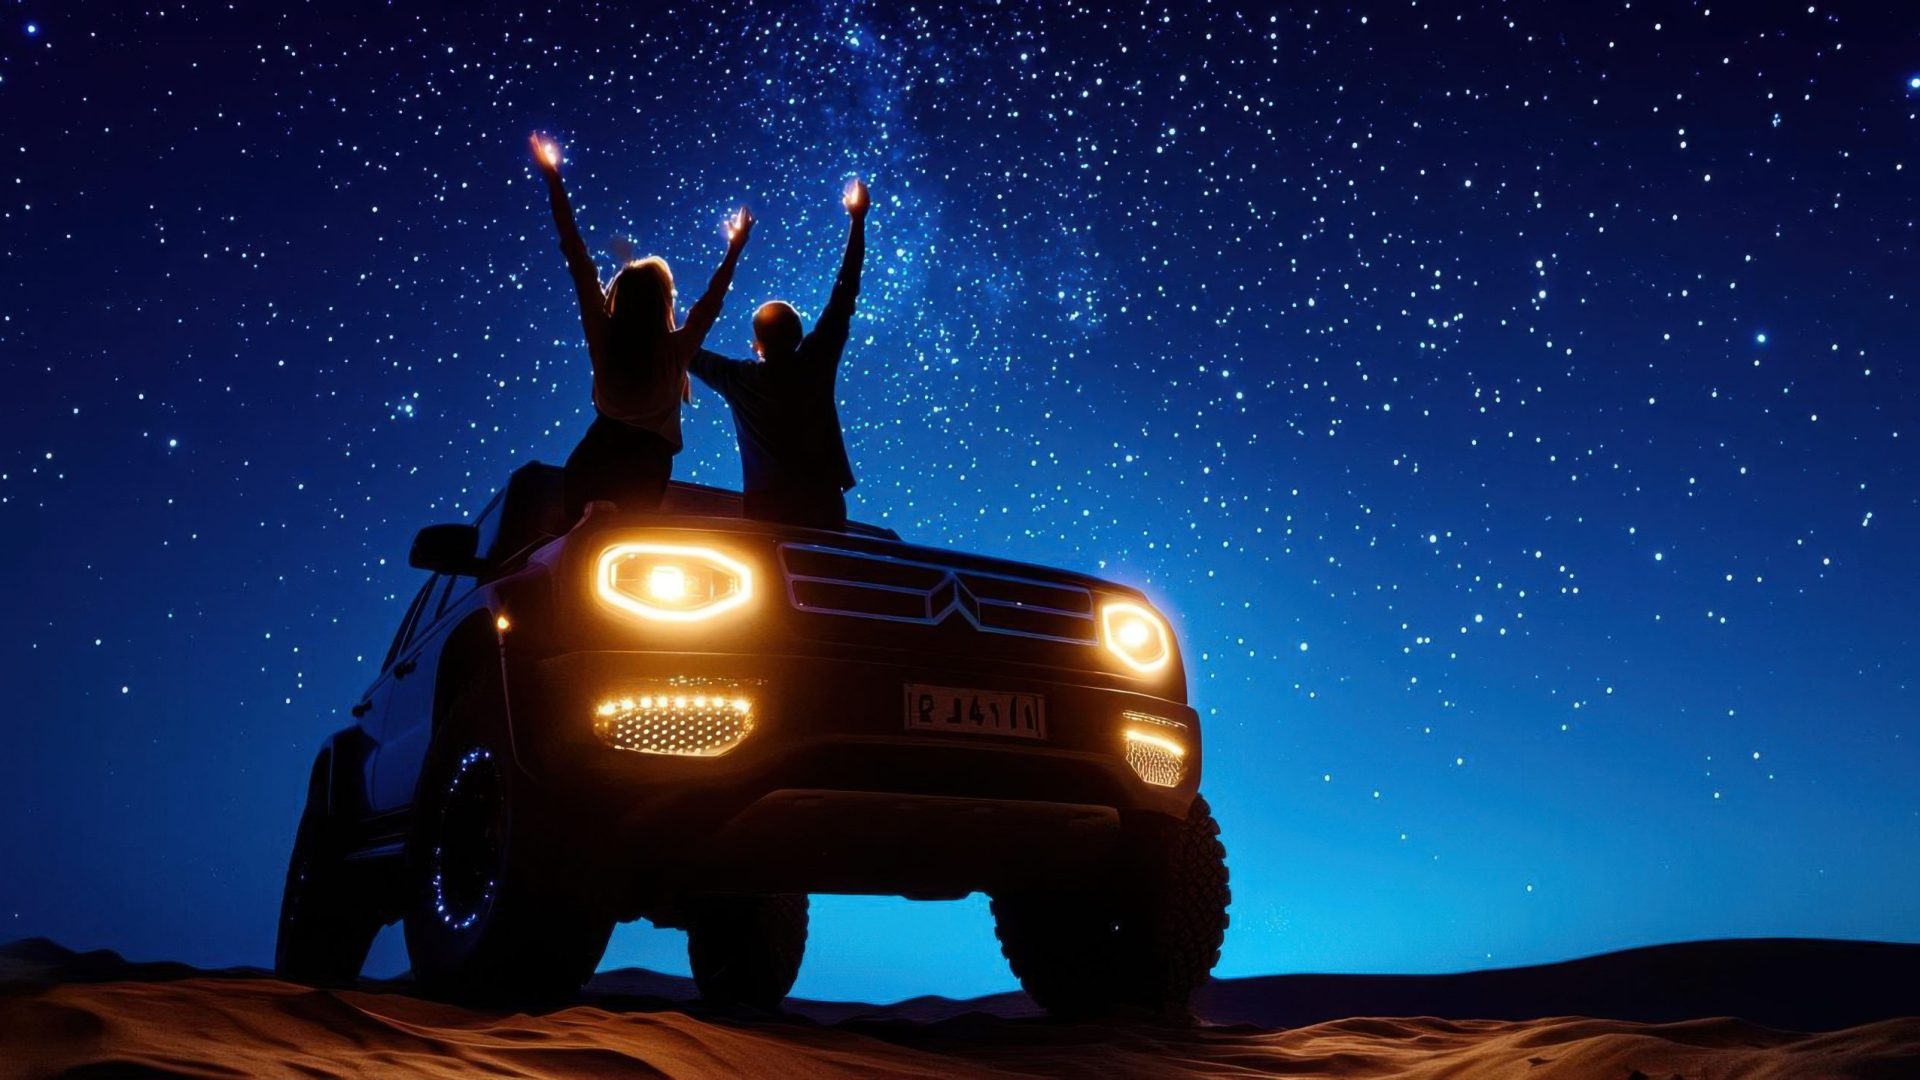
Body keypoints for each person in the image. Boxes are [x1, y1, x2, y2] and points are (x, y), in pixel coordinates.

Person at [530, 134, 753, 517]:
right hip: (647, 464)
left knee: (574, 552)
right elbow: (709, 305)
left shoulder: (604, 333)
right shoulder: (675, 349)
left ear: (621, 295)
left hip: (595, 453)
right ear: (662, 300)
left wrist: (553, 178)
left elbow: (577, 255)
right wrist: (734, 250)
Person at [689, 177, 868, 529]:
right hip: (823, 504)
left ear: (757, 345)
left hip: (766, 511)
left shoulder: (737, 378)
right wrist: (858, 220)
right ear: (800, 336)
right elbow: (845, 291)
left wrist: (734, 250)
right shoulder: (816, 360)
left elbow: (684, 348)